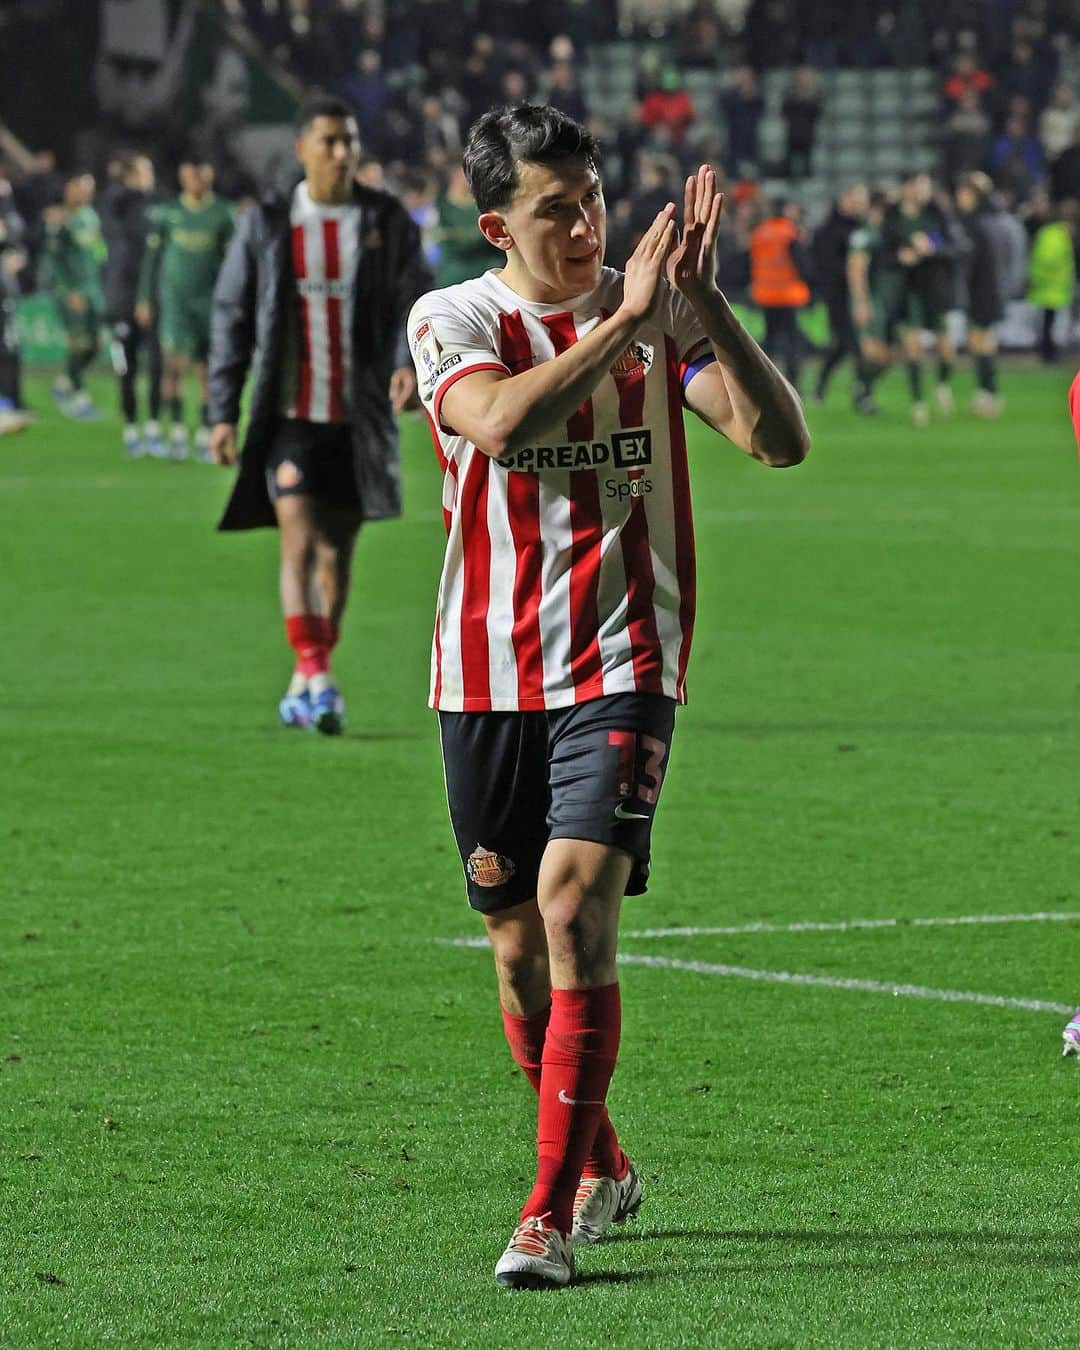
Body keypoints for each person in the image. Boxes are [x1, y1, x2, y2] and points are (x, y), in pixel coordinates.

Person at [407, 104, 808, 1290]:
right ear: (498, 224)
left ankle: (546, 1214)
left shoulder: (657, 313)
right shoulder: (458, 316)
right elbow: (496, 421)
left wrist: (702, 309)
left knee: (578, 906)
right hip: (485, 671)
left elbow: (777, 442)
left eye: (590, 200)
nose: (585, 226)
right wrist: (626, 318)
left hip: (625, 659)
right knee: (518, 954)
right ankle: (602, 1159)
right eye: (555, 210)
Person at [208, 93, 432, 735]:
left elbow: (416, 301)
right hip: (290, 417)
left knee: (338, 555)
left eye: (349, 141)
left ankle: (306, 678)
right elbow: (234, 313)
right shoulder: (271, 221)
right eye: (329, 141)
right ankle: (320, 672)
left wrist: (410, 362)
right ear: (302, 148)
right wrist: (223, 410)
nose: (342, 153)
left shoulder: (385, 220)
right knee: (299, 544)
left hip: (358, 420)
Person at [138, 161, 235, 460]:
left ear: (209, 176)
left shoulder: (222, 213)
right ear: (183, 177)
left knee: (207, 373)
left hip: (208, 304)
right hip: (175, 303)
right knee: (173, 367)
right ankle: (178, 433)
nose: (195, 181)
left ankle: (207, 433)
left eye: (201, 175)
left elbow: (233, 262)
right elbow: (152, 259)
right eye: (190, 175)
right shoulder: (169, 214)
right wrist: (144, 297)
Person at [880, 173, 960, 427]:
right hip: (908, 290)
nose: (924, 191)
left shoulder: (937, 214)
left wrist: (932, 248)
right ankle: (918, 403)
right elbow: (883, 255)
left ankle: (943, 384)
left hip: (935, 290)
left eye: (927, 186)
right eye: (919, 186)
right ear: (907, 188)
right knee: (913, 348)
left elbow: (955, 247)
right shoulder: (892, 219)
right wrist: (900, 257)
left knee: (946, 349)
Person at [99, 152, 164, 456]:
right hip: (121, 301)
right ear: (130, 176)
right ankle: (131, 429)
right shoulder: (118, 204)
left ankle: (152, 428)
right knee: (126, 369)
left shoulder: (156, 208)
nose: (149, 176)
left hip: (151, 299)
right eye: (143, 170)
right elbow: (112, 200)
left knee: (156, 366)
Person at [40, 173, 106, 419]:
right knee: (78, 342)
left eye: (91, 188)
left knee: (97, 343)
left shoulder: (90, 217)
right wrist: (69, 291)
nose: (88, 193)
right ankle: (80, 400)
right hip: (72, 292)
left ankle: (63, 383)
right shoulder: (59, 219)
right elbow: (54, 261)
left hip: (93, 289)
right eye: (83, 188)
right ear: (70, 188)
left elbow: (98, 250)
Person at [812, 183, 877, 411]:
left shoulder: (861, 228)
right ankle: (863, 397)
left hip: (856, 294)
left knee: (842, 346)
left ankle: (820, 385)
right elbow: (828, 266)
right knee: (854, 345)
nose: (860, 206)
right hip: (838, 296)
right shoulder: (829, 231)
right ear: (844, 199)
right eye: (856, 200)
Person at [955, 173, 1005, 416]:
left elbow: (967, 259)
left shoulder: (973, 224)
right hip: (991, 289)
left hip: (981, 291)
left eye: (963, 193)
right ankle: (989, 392)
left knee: (980, 342)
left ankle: (988, 394)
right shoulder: (990, 219)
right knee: (985, 342)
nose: (959, 198)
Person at [749, 199, 811, 390]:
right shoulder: (789, 232)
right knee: (792, 340)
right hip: (787, 294)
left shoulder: (760, 233)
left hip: (765, 294)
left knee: (770, 339)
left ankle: (760, 377)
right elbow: (801, 263)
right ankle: (793, 382)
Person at [846, 189, 894, 411]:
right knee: (873, 352)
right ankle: (862, 394)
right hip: (868, 299)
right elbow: (856, 267)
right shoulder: (865, 234)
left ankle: (862, 389)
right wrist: (861, 301)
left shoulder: (879, 232)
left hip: (880, 299)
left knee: (886, 356)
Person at [0, 173, 31, 434]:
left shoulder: (8, 211)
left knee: (9, 348)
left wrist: (17, 256)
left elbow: (18, 242)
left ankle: (8, 401)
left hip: (4, 294)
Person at [1027, 203, 1076, 363]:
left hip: (1048, 287)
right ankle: (1049, 353)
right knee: (1052, 324)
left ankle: (1049, 352)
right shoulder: (1058, 236)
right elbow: (1049, 260)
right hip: (1053, 288)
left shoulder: (1047, 234)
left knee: (1048, 323)